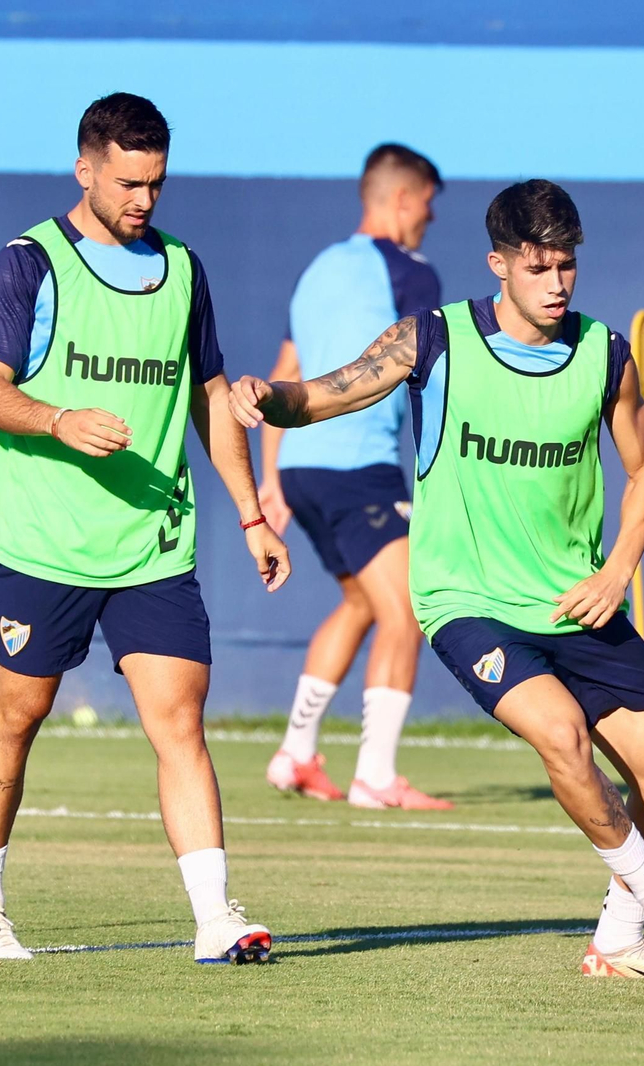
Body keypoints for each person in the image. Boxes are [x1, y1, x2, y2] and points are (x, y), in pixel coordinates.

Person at [229, 179, 644, 982]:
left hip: (578, 600)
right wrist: (266, 397)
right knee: (560, 735)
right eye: (538, 268)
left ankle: (620, 937)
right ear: (498, 264)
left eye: (567, 267)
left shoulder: (605, 355)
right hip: (470, 603)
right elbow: (321, 395)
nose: (557, 284)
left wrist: (618, 568)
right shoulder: (434, 341)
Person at [0, 92, 291, 963]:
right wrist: (56, 417)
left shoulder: (184, 269)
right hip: (45, 543)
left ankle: (215, 918)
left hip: (152, 546)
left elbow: (212, 399)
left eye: (156, 183)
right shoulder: (27, 264)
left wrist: (253, 514)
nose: (143, 199)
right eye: (128, 181)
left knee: (180, 719)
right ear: (86, 168)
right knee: (18, 715)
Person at [259, 144, 450, 810]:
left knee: (364, 603)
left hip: (302, 467)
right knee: (409, 609)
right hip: (359, 466)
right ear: (401, 200)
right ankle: (375, 775)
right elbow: (432, 374)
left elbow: (286, 369)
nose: (428, 217)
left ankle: (295, 753)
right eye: (427, 203)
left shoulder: (317, 270)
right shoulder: (412, 274)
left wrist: (271, 477)